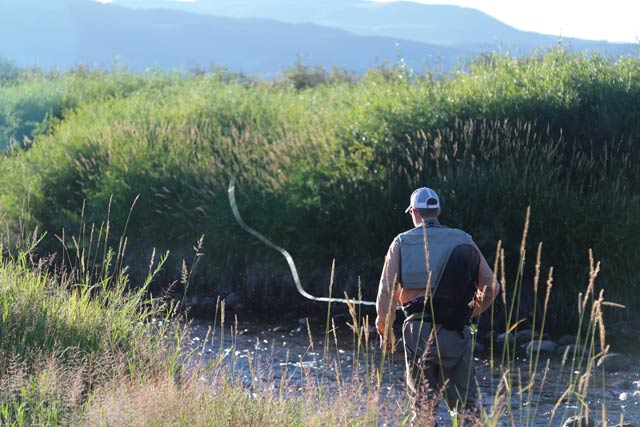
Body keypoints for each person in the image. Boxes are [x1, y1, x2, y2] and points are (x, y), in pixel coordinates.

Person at [376, 187, 500, 426]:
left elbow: (386, 292)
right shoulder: (463, 240)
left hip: (417, 335)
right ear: (438, 211)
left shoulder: (401, 242)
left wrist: (385, 329)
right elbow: (491, 287)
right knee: (467, 411)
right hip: (456, 332)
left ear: (414, 213)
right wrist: (471, 312)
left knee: (423, 409)